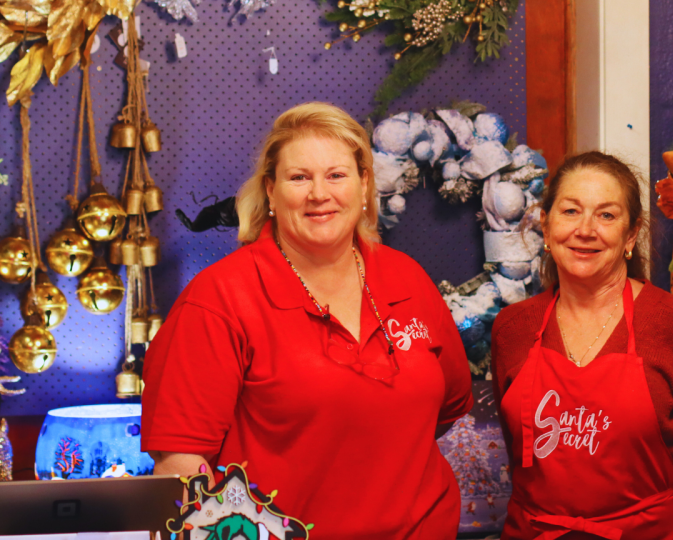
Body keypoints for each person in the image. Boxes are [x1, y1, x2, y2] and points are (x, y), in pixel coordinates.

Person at [141, 102, 473, 539]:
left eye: (336, 175)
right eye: (299, 177)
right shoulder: (218, 299)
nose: (319, 193)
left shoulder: (408, 278)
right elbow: (181, 465)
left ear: (364, 184)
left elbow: (446, 407)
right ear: (271, 191)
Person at [491, 151, 673, 540]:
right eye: (571, 211)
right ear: (546, 227)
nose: (585, 229)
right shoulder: (512, 329)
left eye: (606, 215)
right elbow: (517, 447)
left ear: (630, 235)